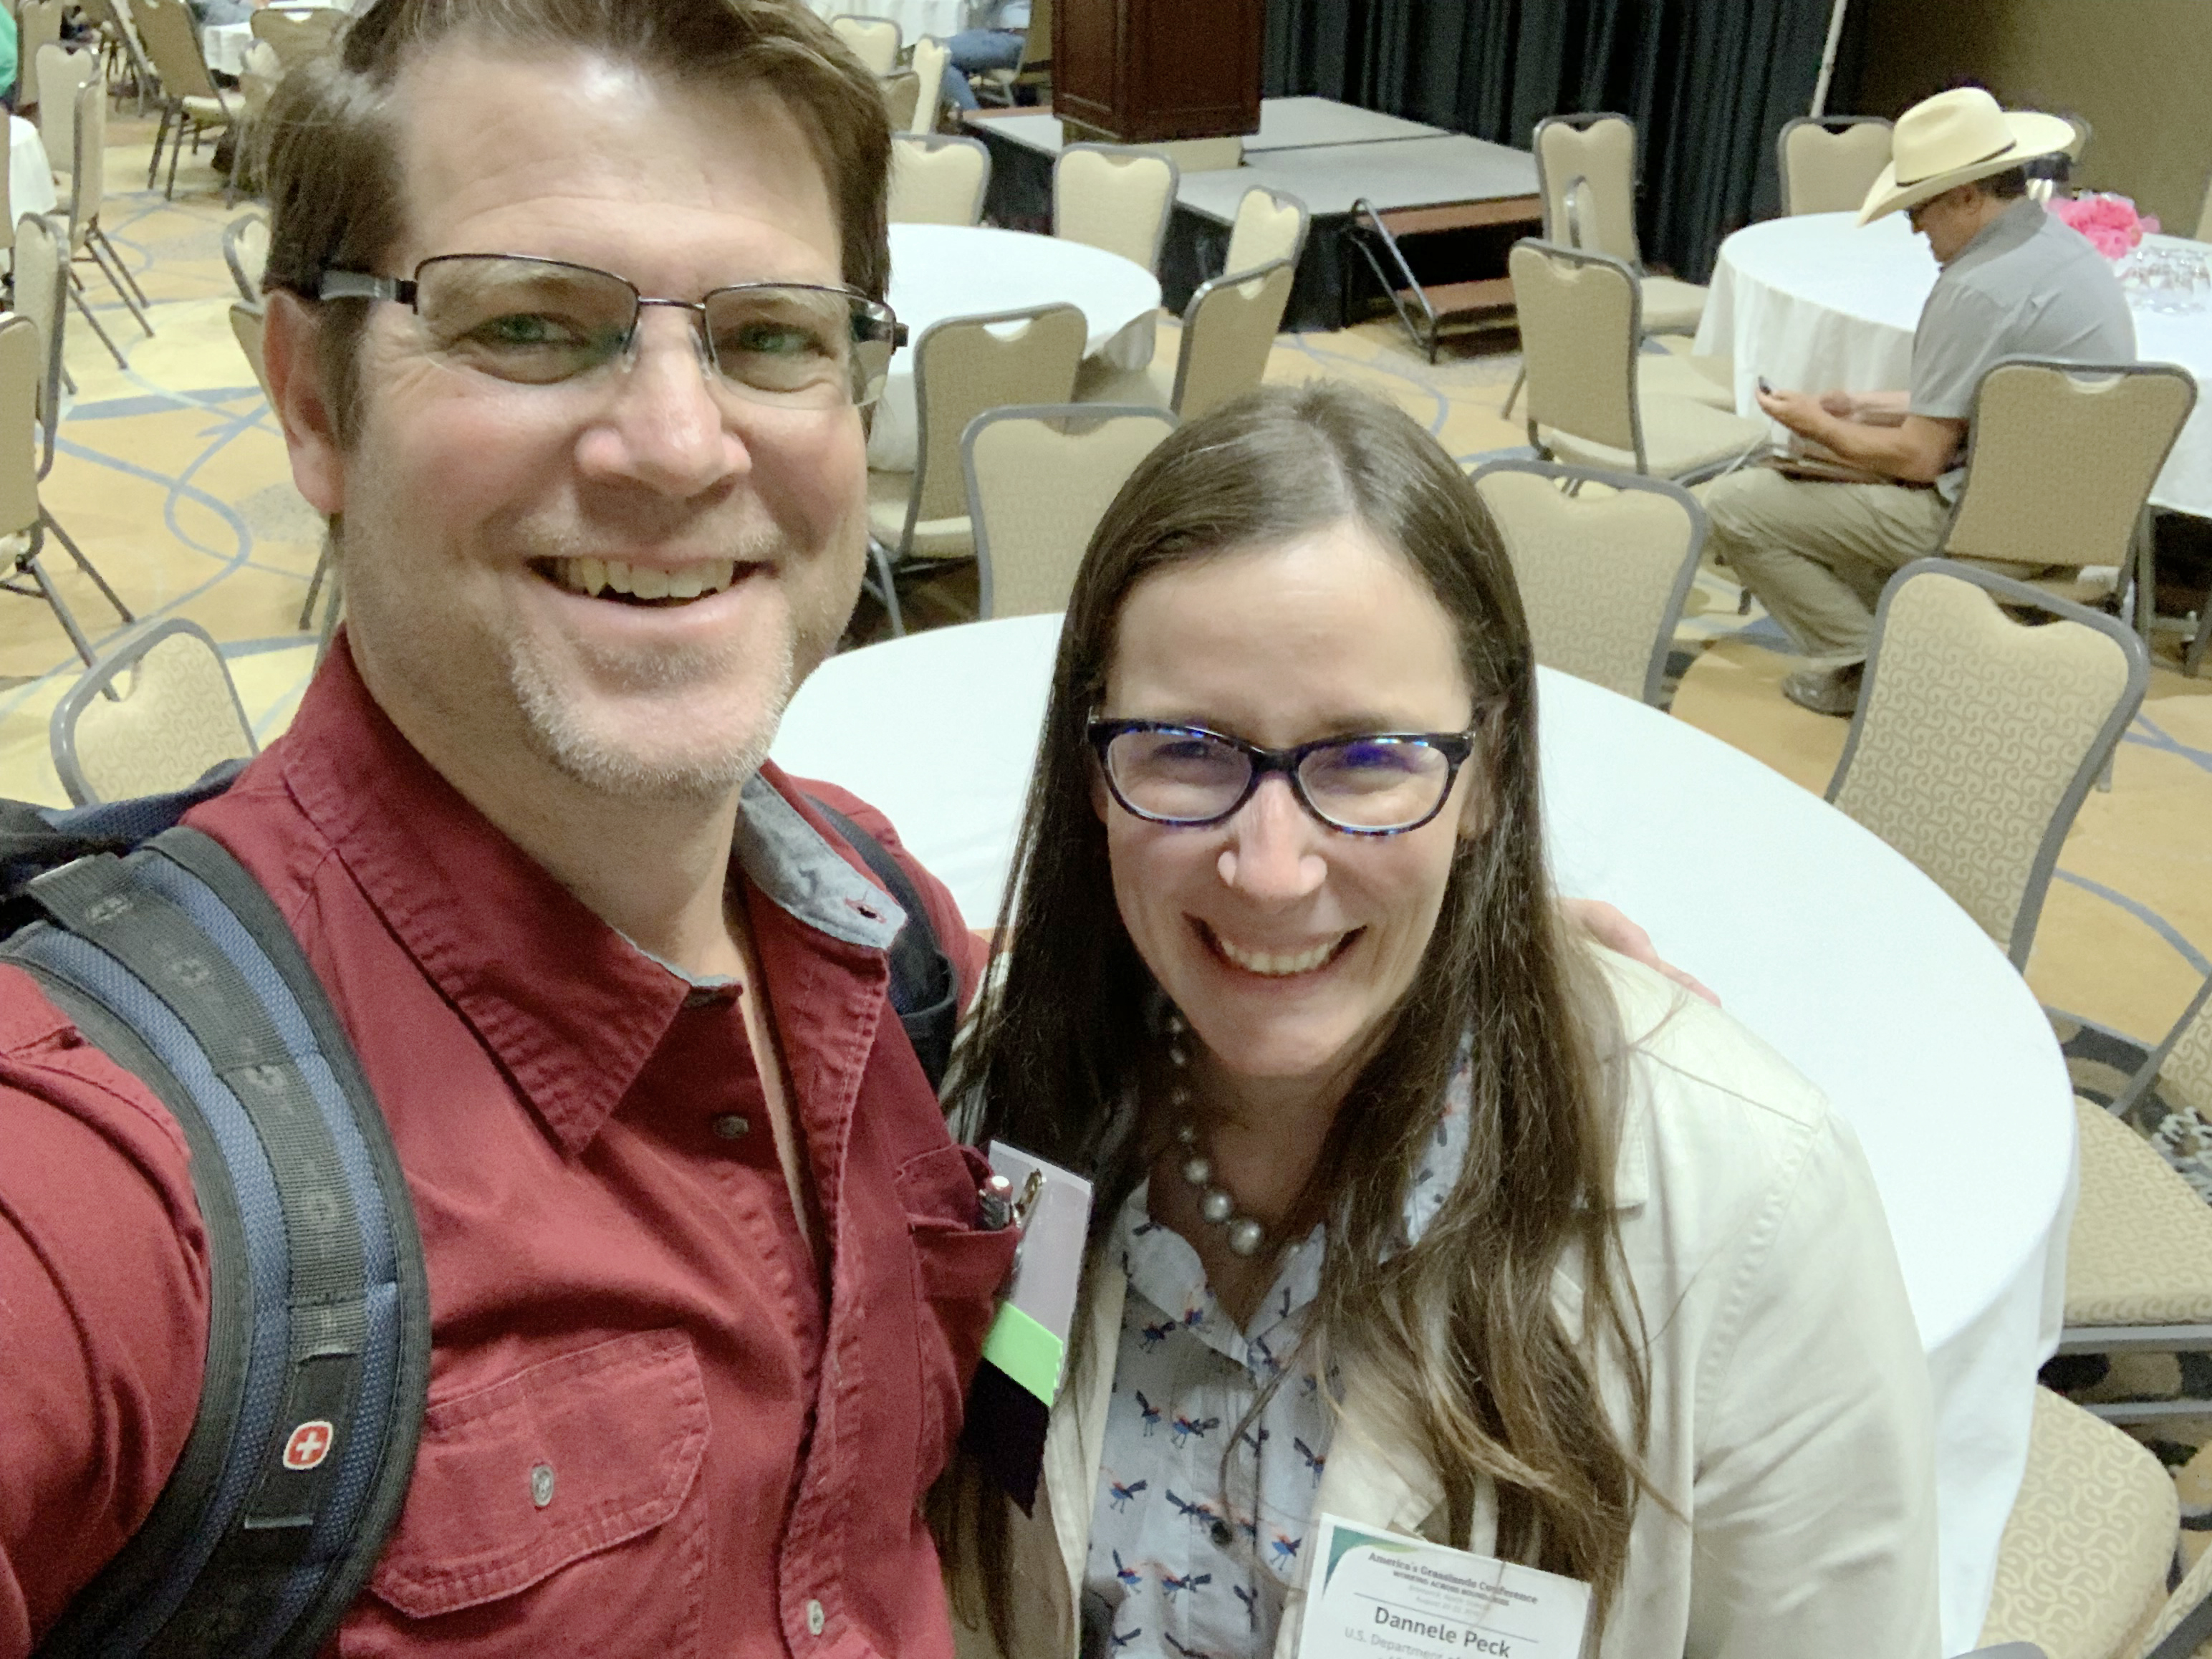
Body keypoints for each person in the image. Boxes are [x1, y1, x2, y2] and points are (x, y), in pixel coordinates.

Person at [0, 4, 1021, 1655]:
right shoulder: (116, 1165)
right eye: (534, 325)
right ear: (312, 401)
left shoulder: (878, 917)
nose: (677, 447)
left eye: (771, 337)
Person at [937, 383, 1941, 1659]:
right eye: (1187, 748)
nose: (1272, 870)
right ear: (1092, 767)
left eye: (1366, 761)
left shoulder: (1752, 1202)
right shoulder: (994, 1094)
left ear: (1489, 775)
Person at [1703, 85, 2134, 716]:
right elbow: (1997, 394)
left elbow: (1918, 457)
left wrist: (1818, 426)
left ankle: (1873, 669)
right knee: (1835, 481)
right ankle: (1924, 647)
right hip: (2072, 518)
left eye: (1919, 209)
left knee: (1737, 506)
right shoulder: (2060, 249)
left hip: (1990, 528)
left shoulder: (1975, 288)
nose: (1915, 228)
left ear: (1967, 197)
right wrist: (1859, 406)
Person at [941, 0, 1028, 111]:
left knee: (942, 53)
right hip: (1037, 47)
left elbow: (979, 4)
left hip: (1013, 40)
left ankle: (973, 116)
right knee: (951, 55)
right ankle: (967, 112)